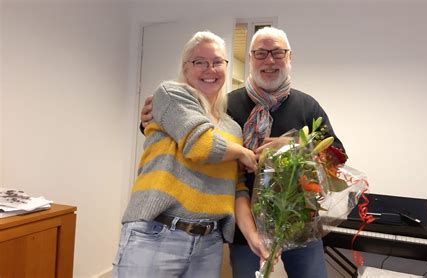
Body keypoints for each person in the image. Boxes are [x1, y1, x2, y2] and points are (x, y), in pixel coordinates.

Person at [141, 27, 345, 278]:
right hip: (245, 227)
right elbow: (193, 135)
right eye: (260, 53)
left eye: (277, 53)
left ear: (289, 57)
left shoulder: (307, 106)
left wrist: (293, 146)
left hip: (300, 225)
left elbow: (337, 155)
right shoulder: (226, 105)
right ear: (250, 59)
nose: (269, 60)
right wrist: (148, 123)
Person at [113, 31, 257, 278]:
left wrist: (255, 239)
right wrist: (243, 152)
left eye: (217, 62)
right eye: (200, 62)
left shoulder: (233, 127)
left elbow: (238, 188)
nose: (209, 69)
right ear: (185, 68)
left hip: (208, 244)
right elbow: (200, 146)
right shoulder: (171, 94)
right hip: (155, 234)